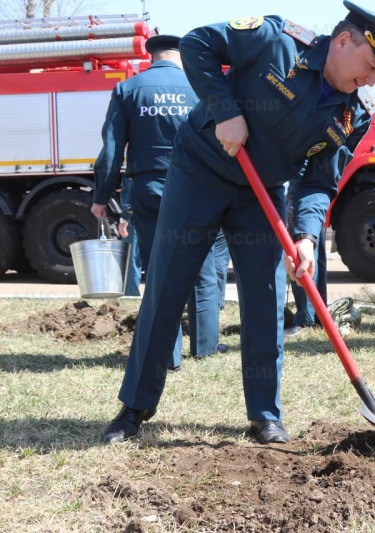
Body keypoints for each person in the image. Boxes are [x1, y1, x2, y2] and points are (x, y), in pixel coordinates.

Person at [101, 2, 375, 445]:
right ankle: (135, 407)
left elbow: (319, 183)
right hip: (202, 171)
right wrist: (225, 111)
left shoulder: (351, 117)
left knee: (266, 298)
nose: (369, 79)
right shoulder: (275, 41)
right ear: (344, 41)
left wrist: (307, 236)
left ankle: (265, 414)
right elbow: (197, 45)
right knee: (168, 283)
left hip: (263, 192)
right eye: (369, 66)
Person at [90, 34, 224, 366]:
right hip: (199, 189)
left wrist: (101, 196)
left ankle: (168, 353)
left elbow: (111, 151)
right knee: (203, 267)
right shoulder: (202, 87)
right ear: (181, 56)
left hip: (149, 191)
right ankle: (205, 347)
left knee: (159, 270)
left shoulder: (129, 89)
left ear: (153, 57)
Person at [284, 172, 328, 337]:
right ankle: (318, 313)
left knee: (301, 243)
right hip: (311, 178)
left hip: (299, 175)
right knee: (312, 239)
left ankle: (305, 318)